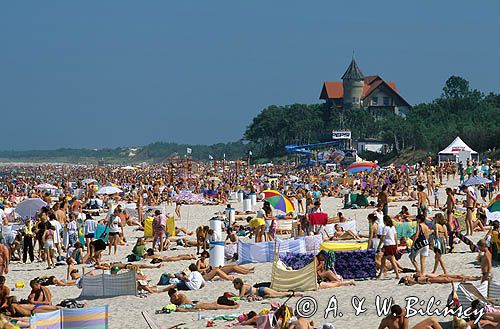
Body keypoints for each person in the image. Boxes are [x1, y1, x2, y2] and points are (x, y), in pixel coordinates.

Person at [167, 288, 239, 312]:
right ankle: (228, 303)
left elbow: (183, 307)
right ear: (171, 297)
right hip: (193, 305)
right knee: (213, 305)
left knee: (215, 306)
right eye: (174, 296)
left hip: (195, 305)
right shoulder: (172, 300)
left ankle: (232, 307)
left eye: (176, 294)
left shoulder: (182, 296)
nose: (176, 296)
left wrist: (195, 310)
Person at [376, 215, 399, 279]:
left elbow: (383, 238)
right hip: (393, 244)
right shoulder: (392, 227)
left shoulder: (385, 228)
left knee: (392, 260)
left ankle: (397, 275)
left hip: (388, 245)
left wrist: (379, 246)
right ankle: (380, 274)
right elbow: (396, 237)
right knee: (383, 260)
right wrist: (396, 245)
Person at [232, 278, 300, 298]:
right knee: (275, 295)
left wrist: (232, 296)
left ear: (239, 284)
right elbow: (242, 296)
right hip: (261, 294)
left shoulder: (244, 286)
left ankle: (294, 293)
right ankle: (291, 294)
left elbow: (240, 297)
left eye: (235, 285)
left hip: (261, 290)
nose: (234, 287)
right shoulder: (241, 288)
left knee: (277, 294)